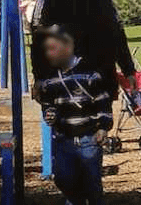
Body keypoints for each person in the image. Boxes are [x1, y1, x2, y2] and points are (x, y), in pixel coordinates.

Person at [31, 0, 137, 101]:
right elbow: (39, 40)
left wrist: (128, 70)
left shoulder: (101, 0)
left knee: (99, 123)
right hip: (60, 79)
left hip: (97, 77)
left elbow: (116, 35)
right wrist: (39, 77)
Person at [37, 25, 111, 205]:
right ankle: (76, 200)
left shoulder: (89, 74)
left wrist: (103, 127)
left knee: (92, 184)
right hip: (64, 139)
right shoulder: (50, 78)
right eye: (47, 50)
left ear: (68, 48)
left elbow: (103, 102)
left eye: (53, 49)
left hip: (89, 138)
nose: (50, 54)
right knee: (62, 178)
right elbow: (48, 104)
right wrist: (50, 113)